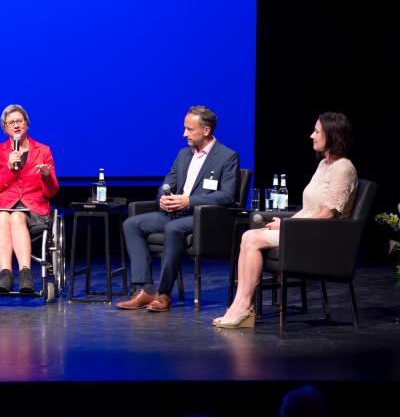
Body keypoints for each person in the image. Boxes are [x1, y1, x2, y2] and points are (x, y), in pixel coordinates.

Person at [215, 112, 357, 328]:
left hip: (323, 238)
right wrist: (285, 223)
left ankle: (244, 307)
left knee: (252, 240)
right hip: (305, 229)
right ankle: (240, 305)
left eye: (317, 131)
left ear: (332, 135)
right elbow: (310, 209)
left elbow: (328, 214)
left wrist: (289, 226)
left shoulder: (344, 168)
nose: (312, 135)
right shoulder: (324, 165)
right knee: (248, 236)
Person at [117, 105, 239, 312]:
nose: (184, 134)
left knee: (173, 229)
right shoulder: (183, 154)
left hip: (203, 217)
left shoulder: (227, 156)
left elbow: (227, 196)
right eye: (185, 128)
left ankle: (164, 294)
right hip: (175, 213)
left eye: (190, 130)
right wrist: (163, 199)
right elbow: (167, 184)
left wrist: (188, 201)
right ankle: (145, 289)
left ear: (206, 130)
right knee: (131, 224)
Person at [0, 104, 59, 293]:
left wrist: (47, 176)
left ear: (27, 123)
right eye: (11, 123)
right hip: (1, 207)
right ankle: (5, 274)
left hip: (33, 210)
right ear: (5, 128)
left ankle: (25, 274)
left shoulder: (43, 151)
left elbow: (51, 192)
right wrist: (8, 167)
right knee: (3, 216)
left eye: (19, 121)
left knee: (16, 216)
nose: (16, 125)